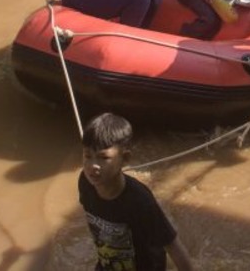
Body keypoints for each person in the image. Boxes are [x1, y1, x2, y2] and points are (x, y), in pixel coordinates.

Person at [79, 113, 193, 271]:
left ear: (125, 158)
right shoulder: (85, 183)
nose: (93, 166)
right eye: (87, 156)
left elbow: (172, 245)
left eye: (103, 158)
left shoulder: (140, 201)